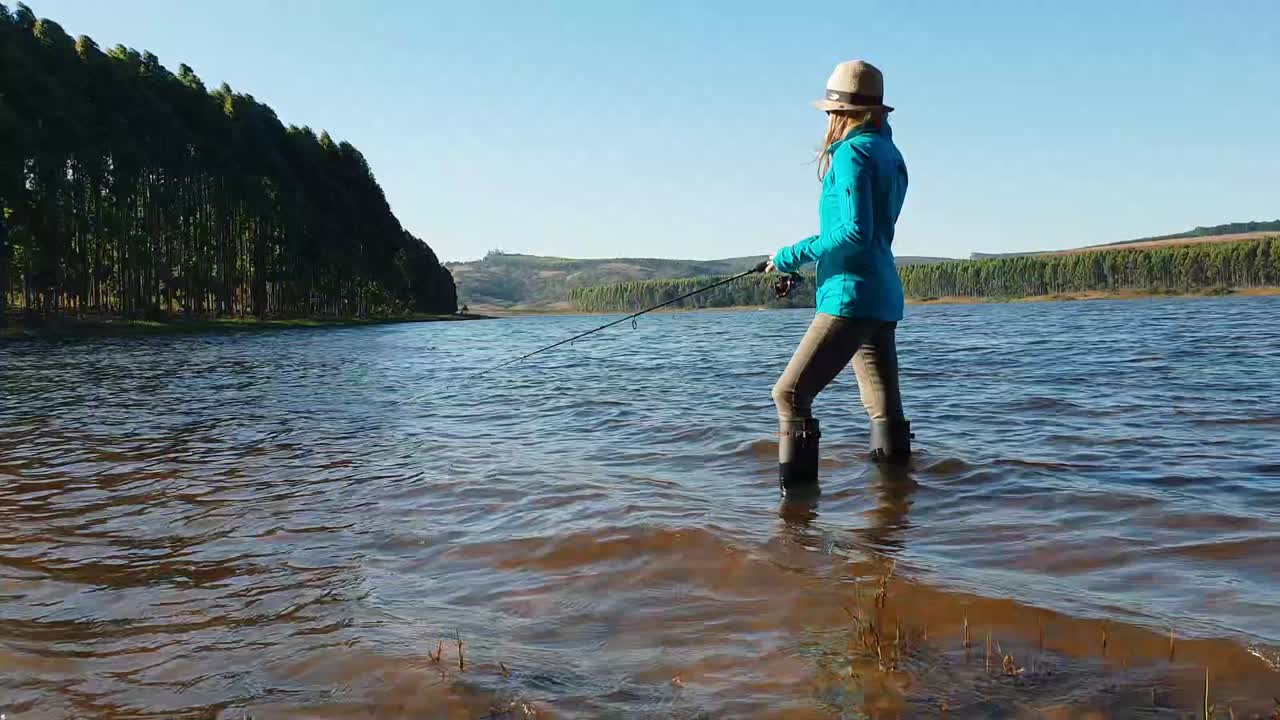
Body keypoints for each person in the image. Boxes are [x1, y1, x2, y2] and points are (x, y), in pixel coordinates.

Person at [764, 59, 912, 492]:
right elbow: (871, 232)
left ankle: (796, 515)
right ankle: (895, 510)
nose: (828, 119)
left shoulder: (852, 152)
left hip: (850, 297)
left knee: (789, 395)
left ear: (841, 113)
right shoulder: (890, 153)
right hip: (881, 295)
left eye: (831, 111)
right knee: (885, 411)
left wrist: (790, 255)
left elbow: (853, 231)